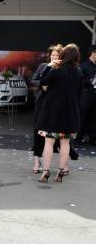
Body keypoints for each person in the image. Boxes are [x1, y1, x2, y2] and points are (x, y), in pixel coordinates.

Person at [37, 43, 83, 183]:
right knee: (65, 143)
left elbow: (43, 82)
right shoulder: (79, 72)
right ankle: (60, 172)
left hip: (52, 113)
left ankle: (45, 172)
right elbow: (79, 94)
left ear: (63, 55)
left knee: (49, 142)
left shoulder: (56, 70)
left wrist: (50, 66)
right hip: (70, 114)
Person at [31, 44, 63, 173]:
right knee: (37, 131)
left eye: (57, 55)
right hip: (41, 102)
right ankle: (36, 160)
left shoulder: (62, 68)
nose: (54, 57)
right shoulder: (44, 66)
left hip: (55, 104)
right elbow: (33, 80)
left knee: (52, 134)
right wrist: (42, 85)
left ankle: (58, 163)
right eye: (52, 55)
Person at [78, 44, 96, 145]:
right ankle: (78, 138)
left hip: (94, 95)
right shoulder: (83, 65)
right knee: (82, 116)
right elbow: (79, 81)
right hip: (85, 95)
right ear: (93, 53)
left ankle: (92, 139)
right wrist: (89, 81)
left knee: (94, 118)